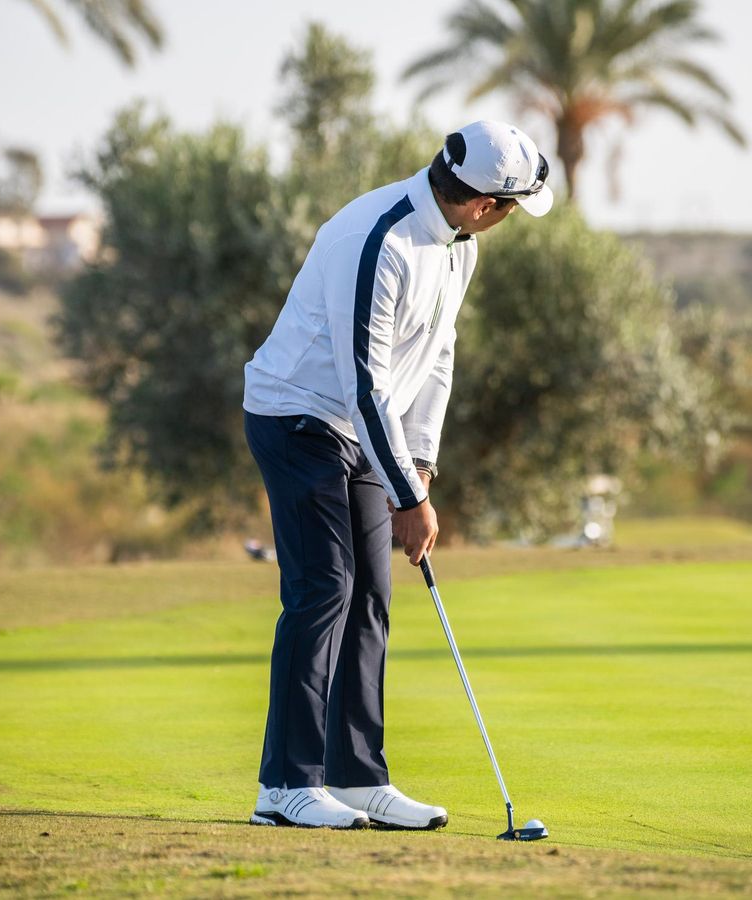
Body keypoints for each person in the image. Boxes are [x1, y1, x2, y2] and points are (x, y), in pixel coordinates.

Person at [241, 120, 553, 830]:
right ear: (485, 203)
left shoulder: (459, 247)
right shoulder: (378, 239)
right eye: (512, 207)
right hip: (296, 415)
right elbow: (364, 382)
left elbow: (438, 355)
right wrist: (408, 500)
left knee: (371, 595)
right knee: (325, 587)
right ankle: (284, 786)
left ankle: (356, 778)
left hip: (360, 429)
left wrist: (419, 463)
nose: (508, 220)